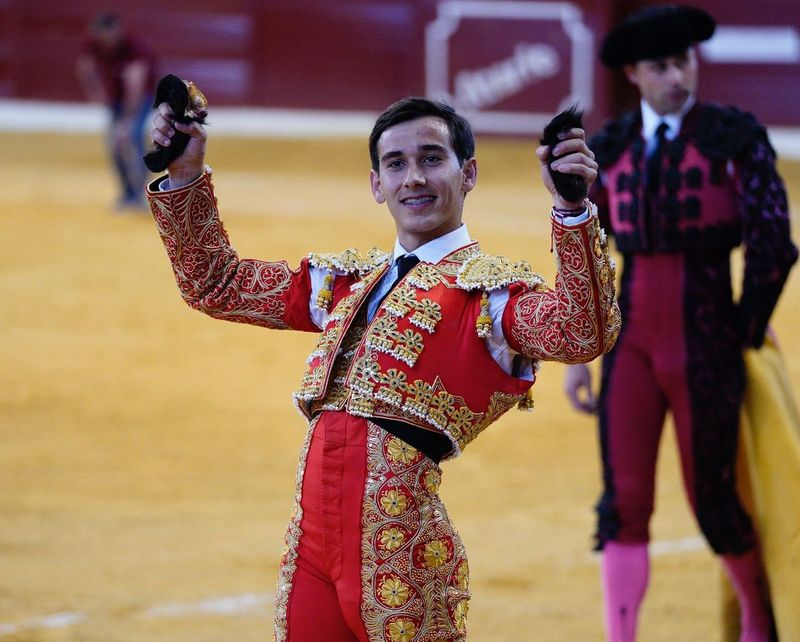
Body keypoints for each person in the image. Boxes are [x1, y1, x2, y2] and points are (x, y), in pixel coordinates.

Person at [146, 91, 620, 641]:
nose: (413, 178)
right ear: (377, 185)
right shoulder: (348, 283)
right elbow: (216, 284)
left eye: (431, 159)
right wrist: (186, 173)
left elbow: (581, 330)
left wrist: (571, 212)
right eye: (395, 164)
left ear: (468, 174)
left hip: (401, 542)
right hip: (312, 542)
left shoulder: (492, 298)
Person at [564, 6, 798, 641]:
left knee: (716, 500)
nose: (677, 75)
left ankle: (758, 628)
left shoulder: (732, 136)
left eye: (684, 61)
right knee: (625, 502)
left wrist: (744, 330)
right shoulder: (606, 149)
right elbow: (583, 258)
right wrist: (584, 353)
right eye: (661, 66)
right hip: (630, 349)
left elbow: (774, 243)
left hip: (706, 345)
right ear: (635, 74)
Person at [77, 12, 157, 211]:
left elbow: (135, 86)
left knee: (134, 137)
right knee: (115, 145)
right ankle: (129, 194)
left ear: (116, 31)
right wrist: (96, 93)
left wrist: (127, 121)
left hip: (141, 99)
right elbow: (85, 68)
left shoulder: (135, 47)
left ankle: (143, 194)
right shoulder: (94, 43)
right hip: (115, 99)